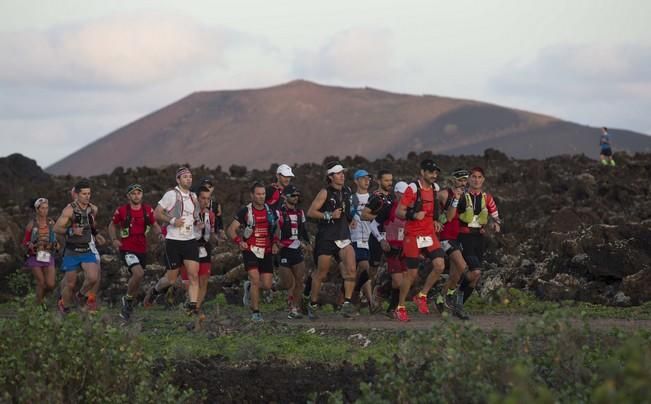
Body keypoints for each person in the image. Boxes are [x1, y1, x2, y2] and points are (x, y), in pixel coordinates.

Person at [143, 167, 201, 318]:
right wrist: (173, 220)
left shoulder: (194, 196)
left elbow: (195, 215)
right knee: (171, 279)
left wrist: (198, 223)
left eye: (190, 176)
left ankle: (193, 307)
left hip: (190, 240)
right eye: (185, 177)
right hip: (173, 241)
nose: (189, 179)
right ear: (178, 180)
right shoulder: (171, 195)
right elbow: (156, 213)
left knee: (193, 275)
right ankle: (154, 290)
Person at [394, 159, 446, 322]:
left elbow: (434, 209)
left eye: (436, 172)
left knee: (440, 265)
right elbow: (399, 212)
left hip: (429, 235)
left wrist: (436, 220)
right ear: (422, 172)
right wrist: (414, 215)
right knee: (411, 274)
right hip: (413, 236)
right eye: (431, 172)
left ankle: (421, 296)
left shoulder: (435, 189)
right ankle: (400, 307)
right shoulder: (412, 189)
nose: (434, 175)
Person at [306, 161, 357, 319]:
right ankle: (312, 304)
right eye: (338, 173)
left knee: (351, 270)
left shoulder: (348, 191)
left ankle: (347, 304)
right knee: (321, 274)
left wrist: (350, 220)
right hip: (326, 238)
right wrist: (329, 215)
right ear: (330, 176)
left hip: (343, 237)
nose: (342, 175)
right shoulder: (324, 192)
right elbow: (311, 212)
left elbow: (347, 211)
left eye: (343, 172)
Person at [108, 184, 162, 321]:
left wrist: (160, 235)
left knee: (137, 280)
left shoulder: (147, 210)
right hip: (127, 249)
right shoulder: (122, 211)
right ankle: (127, 300)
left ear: (142, 195)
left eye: (139, 193)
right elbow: (112, 225)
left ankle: (128, 304)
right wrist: (114, 239)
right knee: (139, 273)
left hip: (142, 250)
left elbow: (154, 225)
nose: (136, 195)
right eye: (133, 193)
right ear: (128, 196)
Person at [227, 182, 277, 322]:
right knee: (255, 279)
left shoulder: (270, 210)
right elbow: (231, 230)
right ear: (252, 195)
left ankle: (248, 288)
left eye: (263, 194)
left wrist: (276, 243)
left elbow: (277, 228)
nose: (261, 197)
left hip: (266, 250)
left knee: (266, 285)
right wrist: (239, 241)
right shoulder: (245, 211)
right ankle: (256, 313)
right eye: (258, 194)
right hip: (250, 250)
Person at [456, 166, 501, 311]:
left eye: (479, 177)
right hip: (464, 237)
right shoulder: (461, 196)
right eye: (473, 177)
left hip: (479, 238)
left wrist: (496, 223)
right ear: (469, 179)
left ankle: (459, 305)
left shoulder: (487, 197)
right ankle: (456, 297)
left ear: (483, 179)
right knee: (475, 271)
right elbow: (450, 215)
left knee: (475, 277)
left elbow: (495, 214)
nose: (476, 180)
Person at [54, 179, 101, 314]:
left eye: (89, 194)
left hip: (86, 249)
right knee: (70, 284)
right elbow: (56, 229)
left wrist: (96, 234)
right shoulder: (69, 210)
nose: (87, 196)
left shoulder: (93, 209)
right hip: (72, 251)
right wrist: (71, 231)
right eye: (84, 194)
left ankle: (80, 296)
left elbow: (90, 224)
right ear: (77, 195)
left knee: (93, 278)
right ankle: (65, 306)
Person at [435, 169, 472, 319]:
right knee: (464, 270)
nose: (464, 183)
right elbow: (444, 216)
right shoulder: (444, 194)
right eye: (461, 180)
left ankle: (440, 298)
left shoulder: (466, 196)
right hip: (446, 237)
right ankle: (456, 304)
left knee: (455, 275)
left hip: (459, 237)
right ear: (453, 180)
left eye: (465, 180)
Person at [369, 181, 408, 316]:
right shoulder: (388, 208)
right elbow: (373, 225)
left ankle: (391, 307)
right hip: (392, 248)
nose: (405, 197)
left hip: (406, 249)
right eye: (403, 194)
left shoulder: (410, 209)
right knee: (398, 281)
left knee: (405, 281)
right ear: (397, 194)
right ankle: (381, 292)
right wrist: (381, 240)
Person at [273, 184, 311, 319]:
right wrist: (275, 243)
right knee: (287, 283)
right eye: (293, 195)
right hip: (283, 249)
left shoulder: (300, 213)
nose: (296, 198)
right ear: (285, 196)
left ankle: (293, 307)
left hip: (296, 248)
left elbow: (304, 231)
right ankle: (273, 287)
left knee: (299, 281)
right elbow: (273, 229)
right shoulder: (278, 213)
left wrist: (307, 243)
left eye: (297, 195)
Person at [361, 169, 394, 312]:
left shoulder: (392, 197)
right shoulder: (376, 197)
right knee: (373, 269)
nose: (389, 183)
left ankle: (379, 298)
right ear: (379, 181)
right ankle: (365, 296)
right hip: (376, 237)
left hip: (391, 238)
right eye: (386, 180)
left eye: (391, 181)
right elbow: (364, 215)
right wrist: (381, 219)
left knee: (393, 270)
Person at [22, 198, 58, 308]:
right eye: (42, 208)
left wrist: (56, 245)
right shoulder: (31, 225)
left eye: (47, 208)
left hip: (47, 255)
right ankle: (38, 307)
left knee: (51, 284)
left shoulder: (51, 223)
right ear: (37, 209)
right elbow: (25, 241)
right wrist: (30, 245)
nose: (45, 210)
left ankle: (40, 299)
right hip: (34, 256)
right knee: (41, 282)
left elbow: (54, 239)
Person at [350, 169, 374, 312]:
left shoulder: (373, 198)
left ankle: (360, 296)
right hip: (356, 237)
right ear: (356, 181)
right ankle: (369, 301)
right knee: (365, 266)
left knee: (368, 271)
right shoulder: (352, 198)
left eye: (368, 178)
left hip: (371, 237)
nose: (367, 181)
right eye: (363, 178)